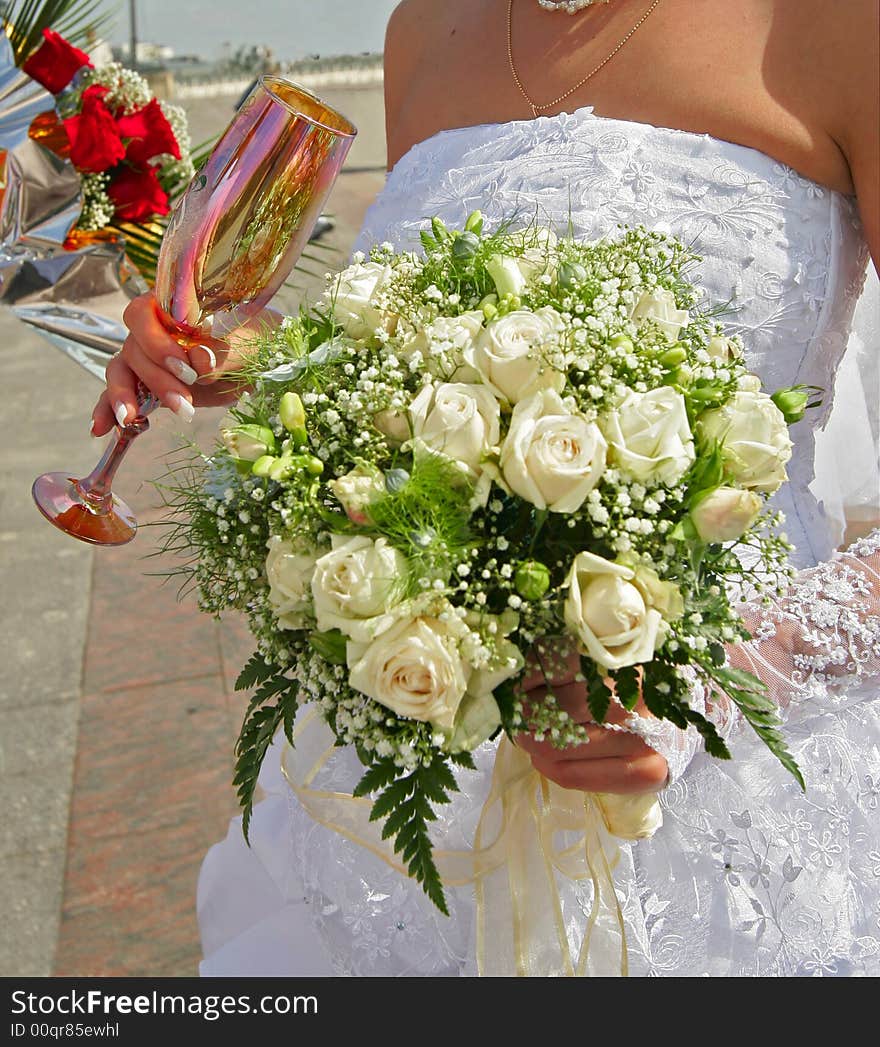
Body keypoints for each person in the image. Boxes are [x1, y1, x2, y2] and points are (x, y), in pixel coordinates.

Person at [91, 0, 879, 976]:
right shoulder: (424, 28)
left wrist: (719, 685)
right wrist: (247, 359)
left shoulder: (834, 24)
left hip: (735, 768)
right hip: (411, 732)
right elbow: (412, 348)